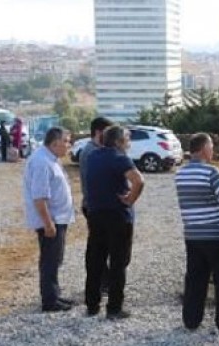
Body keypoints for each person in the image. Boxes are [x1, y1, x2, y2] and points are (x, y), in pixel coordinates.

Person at [175, 133, 219, 332]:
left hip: (193, 234)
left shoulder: (180, 174)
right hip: (215, 235)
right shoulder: (211, 172)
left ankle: (191, 320)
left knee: (195, 278)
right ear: (204, 149)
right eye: (211, 147)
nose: (213, 151)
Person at [84, 126, 145, 319]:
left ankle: (92, 305)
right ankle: (114, 307)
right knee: (118, 262)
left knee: (95, 261)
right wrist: (130, 200)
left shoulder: (92, 156)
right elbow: (139, 180)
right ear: (119, 142)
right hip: (118, 216)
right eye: (127, 138)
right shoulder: (119, 157)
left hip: (95, 214)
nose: (129, 142)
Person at [22, 127, 76, 313]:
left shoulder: (51, 159)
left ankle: (54, 295)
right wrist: (48, 223)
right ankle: (50, 301)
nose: (69, 145)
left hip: (58, 218)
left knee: (55, 259)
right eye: (66, 141)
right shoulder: (41, 162)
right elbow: (39, 197)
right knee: (50, 260)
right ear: (55, 143)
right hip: (51, 220)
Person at [81, 117, 114, 293]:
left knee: (100, 244)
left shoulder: (96, 150)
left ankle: (103, 279)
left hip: (95, 205)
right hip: (94, 206)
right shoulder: (90, 152)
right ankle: (100, 281)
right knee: (97, 246)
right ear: (99, 132)